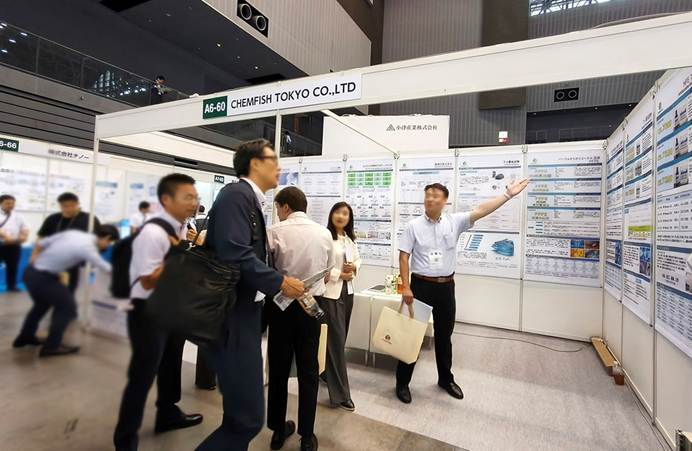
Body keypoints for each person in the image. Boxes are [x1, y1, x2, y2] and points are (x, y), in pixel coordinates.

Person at [196, 139, 305, 451]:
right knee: (247, 419)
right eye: (273, 160)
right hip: (233, 318)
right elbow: (235, 252)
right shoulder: (236, 196)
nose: (279, 167)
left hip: (246, 315)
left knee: (238, 416)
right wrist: (279, 282)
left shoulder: (250, 200)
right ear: (255, 164)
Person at [395, 179, 529, 404]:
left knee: (444, 336)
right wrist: (405, 286)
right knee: (412, 336)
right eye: (428, 195)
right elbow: (403, 257)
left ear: (445, 201)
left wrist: (507, 195)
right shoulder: (413, 225)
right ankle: (402, 383)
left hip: (446, 287)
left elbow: (481, 210)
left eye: (436, 195)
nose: (430, 199)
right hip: (420, 286)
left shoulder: (454, 221)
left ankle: (445, 379)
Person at [113, 174, 204, 451]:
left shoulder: (182, 228)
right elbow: (147, 281)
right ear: (166, 200)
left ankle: (168, 413)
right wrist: (179, 258)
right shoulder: (153, 233)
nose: (194, 202)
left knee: (171, 365)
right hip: (148, 312)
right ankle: (125, 439)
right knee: (142, 376)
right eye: (187, 197)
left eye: (195, 197)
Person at [265, 187, 335, 451]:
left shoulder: (274, 232)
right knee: (309, 371)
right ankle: (307, 436)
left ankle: (277, 430)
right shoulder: (324, 233)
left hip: (280, 308)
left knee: (279, 370)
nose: (278, 213)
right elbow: (327, 272)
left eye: (278, 208)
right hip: (310, 307)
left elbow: (267, 271)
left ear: (285, 207)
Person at [12, 225, 118, 356]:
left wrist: (33, 259)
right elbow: (104, 266)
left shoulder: (73, 233)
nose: (108, 246)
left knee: (41, 305)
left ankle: (25, 337)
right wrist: (128, 274)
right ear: (107, 237)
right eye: (109, 242)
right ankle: (52, 346)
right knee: (67, 307)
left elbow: (40, 243)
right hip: (43, 277)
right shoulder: (87, 247)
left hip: (31, 272)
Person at [320, 201, 360, 412]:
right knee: (335, 344)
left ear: (349, 218)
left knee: (338, 341)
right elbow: (321, 266)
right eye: (337, 211)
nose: (341, 216)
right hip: (330, 295)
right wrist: (339, 275)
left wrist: (354, 267)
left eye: (345, 213)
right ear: (331, 214)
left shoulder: (350, 239)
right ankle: (341, 394)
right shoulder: (325, 237)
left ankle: (325, 373)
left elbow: (358, 260)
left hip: (348, 293)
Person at [36, 192, 101, 293]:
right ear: (60, 205)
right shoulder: (52, 219)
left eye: (72, 205)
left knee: (70, 288)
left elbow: (97, 239)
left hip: (76, 261)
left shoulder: (89, 219)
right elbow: (41, 237)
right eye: (65, 206)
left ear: (77, 204)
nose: (68, 209)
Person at [0, 194, 29, 292]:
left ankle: (11, 286)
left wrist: (24, 235)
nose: (10, 205)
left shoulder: (18, 216)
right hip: (1, 243)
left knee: (13, 266)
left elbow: (25, 227)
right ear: (1, 203)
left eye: (12, 203)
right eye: (7, 203)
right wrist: (5, 236)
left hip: (14, 245)